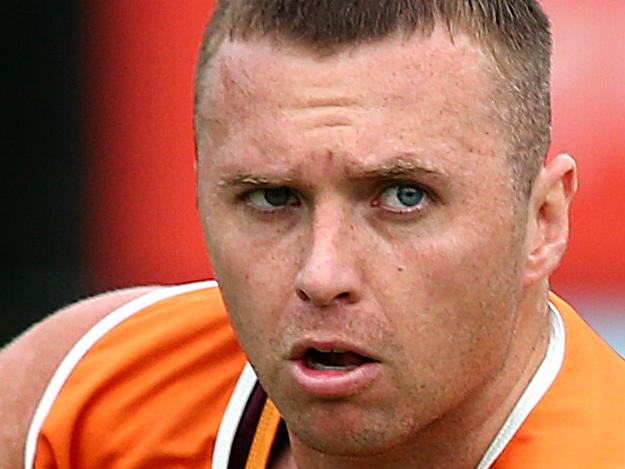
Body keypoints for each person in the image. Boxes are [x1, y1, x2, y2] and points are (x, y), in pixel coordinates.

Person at [2, 1, 625, 467]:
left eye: (404, 196)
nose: (322, 275)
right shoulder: (80, 394)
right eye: (274, 198)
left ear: (543, 222)